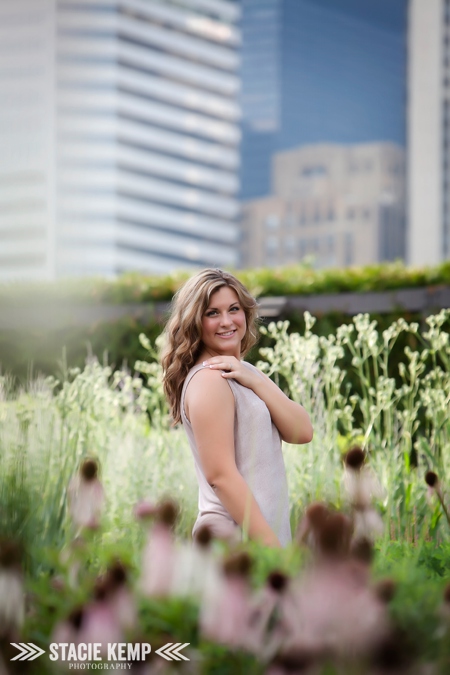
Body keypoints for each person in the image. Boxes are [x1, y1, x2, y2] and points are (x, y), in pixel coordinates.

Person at [160, 268, 313, 547]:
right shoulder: (209, 380)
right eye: (212, 313)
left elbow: (302, 431)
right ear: (195, 321)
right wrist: (272, 550)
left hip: (255, 539)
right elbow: (221, 477)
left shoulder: (244, 373)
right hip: (233, 542)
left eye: (234, 309)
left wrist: (254, 378)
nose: (227, 321)